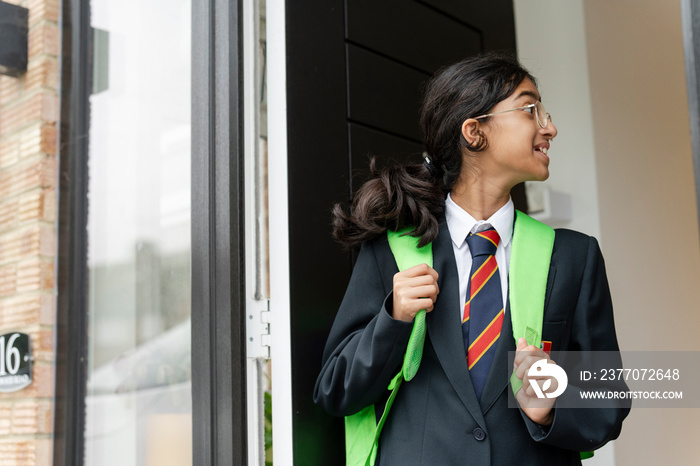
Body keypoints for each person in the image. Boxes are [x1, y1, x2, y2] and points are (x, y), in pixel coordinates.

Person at [313, 52, 629, 465]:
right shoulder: (393, 251)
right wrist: (393, 320)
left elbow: (608, 396)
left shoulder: (573, 256)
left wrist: (554, 405)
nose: (549, 127)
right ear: (474, 131)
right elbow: (334, 390)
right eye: (531, 109)